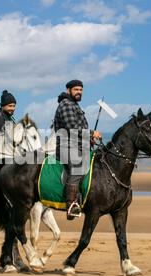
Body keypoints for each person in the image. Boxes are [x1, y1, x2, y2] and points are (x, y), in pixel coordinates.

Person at [53, 80, 101, 220]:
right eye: (76, 89)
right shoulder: (66, 105)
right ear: (68, 90)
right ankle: (71, 205)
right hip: (66, 146)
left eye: (81, 90)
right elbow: (71, 128)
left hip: (78, 145)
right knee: (78, 168)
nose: (79, 92)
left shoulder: (74, 105)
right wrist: (91, 133)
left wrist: (88, 139)